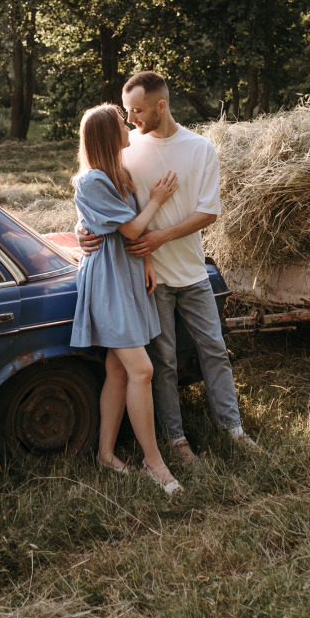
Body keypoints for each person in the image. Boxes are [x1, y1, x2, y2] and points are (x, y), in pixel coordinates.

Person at [78, 72, 257, 466]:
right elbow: (97, 192)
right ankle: (176, 441)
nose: (131, 119)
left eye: (137, 110)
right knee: (163, 362)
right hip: (147, 278)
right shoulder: (125, 150)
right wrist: (81, 228)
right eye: (127, 112)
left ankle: (234, 431)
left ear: (161, 106)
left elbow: (208, 212)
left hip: (192, 271)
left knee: (215, 351)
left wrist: (159, 237)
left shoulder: (200, 148)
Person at [70, 103, 183, 494]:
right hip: (108, 283)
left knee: (119, 371)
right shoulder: (92, 181)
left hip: (129, 275)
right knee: (142, 370)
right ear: (105, 134)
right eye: (120, 122)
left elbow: (124, 228)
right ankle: (155, 464)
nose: (127, 124)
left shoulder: (118, 174)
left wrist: (148, 260)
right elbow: (134, 227)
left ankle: (105, 454)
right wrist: (159, 198)